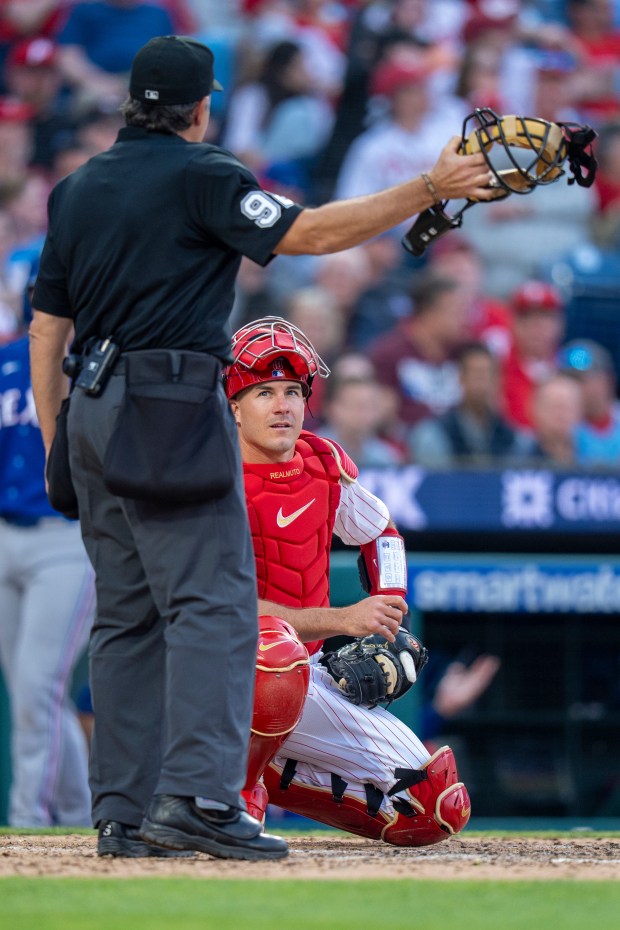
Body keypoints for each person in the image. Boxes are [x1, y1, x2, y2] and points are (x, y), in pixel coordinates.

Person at [28, 35, 497, 861]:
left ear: (131, 105)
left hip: (91, 407)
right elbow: (310, 235)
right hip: (170, 401)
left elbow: (46, 327)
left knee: (128, 617)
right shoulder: (204, 172)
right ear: (201, 107)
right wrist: (430, 186)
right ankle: (204, 801)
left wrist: (56, 431)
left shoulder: (76, 189)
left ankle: (122, 815)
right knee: (214, 606)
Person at [224, 315, 471, 846]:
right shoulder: (208, 476)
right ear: (234, 405)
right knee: (274, 654)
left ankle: (266, 771)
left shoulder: (321, 461)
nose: (282, 405)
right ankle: (236, 795)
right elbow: (228, 607)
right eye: (264, 392)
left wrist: (389, 605)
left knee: (435, 807)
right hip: (216, 668)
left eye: (293, 391)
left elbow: (382, 532)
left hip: (299, 674)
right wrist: (345, 618)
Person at [0, 329, 94, 826]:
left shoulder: (93, 362)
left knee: (38, 689)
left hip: (64, 537)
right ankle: (78, 817)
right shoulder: (6, 360)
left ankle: (25, 822)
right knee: (34, 695)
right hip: (4, 533)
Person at [408, 341, 532, 467]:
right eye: (476, 374)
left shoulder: (511, 438)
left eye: (488, 375)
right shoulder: (437, 433)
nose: (482, 383)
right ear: (461, 378)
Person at [501, 280, 565, 430]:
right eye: (526, 317)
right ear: (513, 323)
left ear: (559, 324)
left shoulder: (571, 364)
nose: (535, 326)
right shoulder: (497, 366)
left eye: (544, 317)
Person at [557, 338, 620, 467]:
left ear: (607, 380)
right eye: (568, 380)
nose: (574, 388)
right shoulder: (559, 422)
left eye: (581, 380)